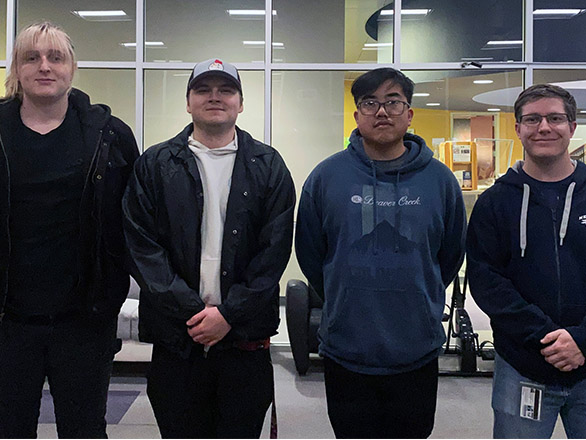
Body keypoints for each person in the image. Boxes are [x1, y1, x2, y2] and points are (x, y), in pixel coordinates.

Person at [122, 58, 295, 438]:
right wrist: (193, 313)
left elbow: (273, 252)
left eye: (225, 90)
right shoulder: (155, 165)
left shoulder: (268, 166)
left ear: (240, 102)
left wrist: (229, 314)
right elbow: (141, 247)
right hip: (177, 340)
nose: (214, 97)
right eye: (203, 89)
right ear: (188, 102)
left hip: (244, 341)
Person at [295, 67, 467, 438]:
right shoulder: (326, 177)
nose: (382, 112)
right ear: (357, 115)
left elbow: (450, 254)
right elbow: (312, 255)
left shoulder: (440, 181)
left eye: (393, 102)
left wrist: (421, 294)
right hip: (347, 349)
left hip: (415, 350)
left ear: (410, 113)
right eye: (370, 103)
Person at [0, 22, 139, 438]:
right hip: (8, 322)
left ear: (72, 68)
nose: (44, 66)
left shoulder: (110, 136)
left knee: (84, 430)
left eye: (55, 57)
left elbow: (134, 221)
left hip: (84, 320)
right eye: (32, 57)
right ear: (17, 69)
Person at [467, 83, 586, 439]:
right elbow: (487, 281)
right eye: (532, 119)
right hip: (522, 367)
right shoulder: (495, 203)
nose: (544, 127)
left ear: (572, 126)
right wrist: (548, 338)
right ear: (517, 128)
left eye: (554, 118)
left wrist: (581, 339)